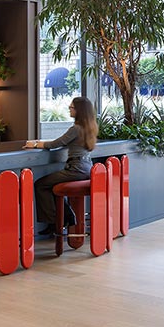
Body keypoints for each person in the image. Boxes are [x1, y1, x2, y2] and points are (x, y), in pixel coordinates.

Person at [25, 97, 97, 236]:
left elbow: (55, 144)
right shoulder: (90, 127)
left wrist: (34, 144)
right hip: (87, 168)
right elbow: (63, 143)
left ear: (79, 111)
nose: (69, 109)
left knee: (41, 184)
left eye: (72, 107)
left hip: (76, 169)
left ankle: (54, 223)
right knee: (53, 186)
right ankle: (68, 216)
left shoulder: (75, 128)